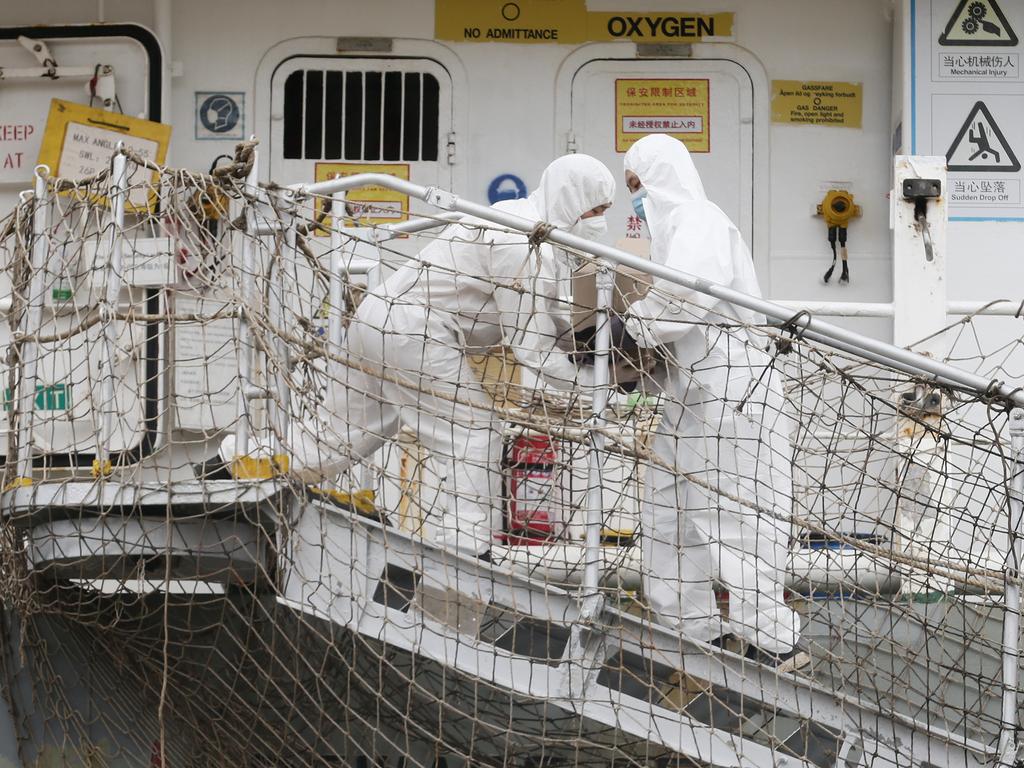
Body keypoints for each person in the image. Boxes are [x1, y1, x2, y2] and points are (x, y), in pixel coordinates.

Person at [271, 154, 616, 558]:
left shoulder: (519, 221)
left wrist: (586, 348)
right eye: (595, 210)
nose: (599, 221)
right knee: (474, 432)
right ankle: (466, 553)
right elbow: (533, 350)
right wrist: (603, 383)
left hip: (377, 318)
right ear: (571, 199)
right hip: (412, 328)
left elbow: (544, 319)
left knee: (338, 436)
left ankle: (236, 464)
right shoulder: (522, 242)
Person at [620, 134, 801, 665]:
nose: (637, 199)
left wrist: (630, 327)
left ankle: (770, 639)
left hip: (732, 393)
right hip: (689, 395)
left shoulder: (699, 221)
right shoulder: (669, 238)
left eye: (638, 185)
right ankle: (690, 628)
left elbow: (685, 299)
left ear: (663, 177)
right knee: (667, 512)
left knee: (737, 515)